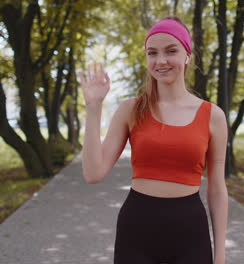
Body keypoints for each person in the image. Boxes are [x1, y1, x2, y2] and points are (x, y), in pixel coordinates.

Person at [80, 16, 228, 264]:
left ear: (187, 55)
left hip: (190, 232)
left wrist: (220, 255)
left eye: (171, 51)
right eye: (152, 53)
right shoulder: (131, 110)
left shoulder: (213, 116)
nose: (161, 61)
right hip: (137, 230)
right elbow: (93, 173)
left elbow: (217, 189)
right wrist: (93, 108)